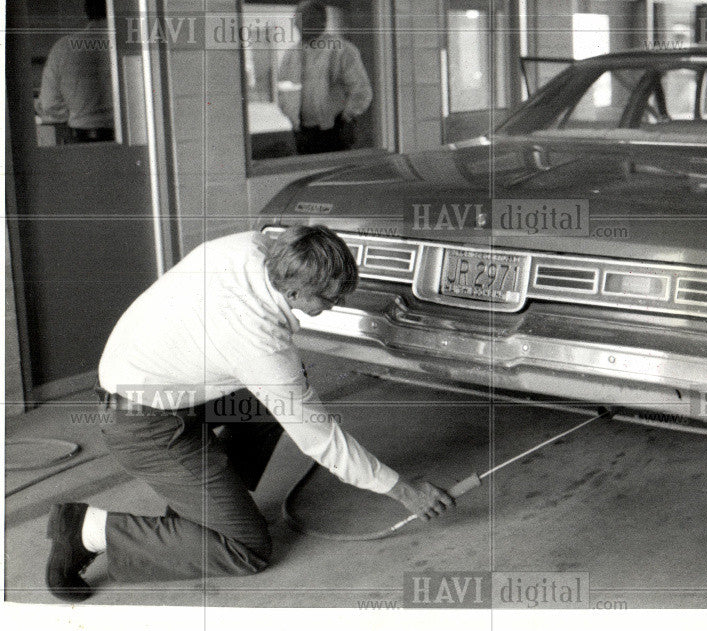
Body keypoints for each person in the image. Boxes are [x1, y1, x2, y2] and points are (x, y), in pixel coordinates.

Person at [45, 225, 454, 601]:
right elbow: (320, 439)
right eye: (330, 298)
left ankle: (201, 508)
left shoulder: (254, 247)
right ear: (293, 294)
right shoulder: (258, 342)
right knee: (246, 550)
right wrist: (402, 488)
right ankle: (85, 529)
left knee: (272, 399)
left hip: (164, 385)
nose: (339, 303)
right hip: (140, 421)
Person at [276, 0, 373, 155]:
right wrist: (291, 117)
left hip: (335, 131)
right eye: (297, 19)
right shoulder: (290, 54)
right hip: (302, 133)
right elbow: (283, 90)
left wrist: (346, 118)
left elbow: (361, 91)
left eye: (306, 18)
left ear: (322, 21)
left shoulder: (342, 50)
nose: (299, 24)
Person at [35, 0, 115, 143]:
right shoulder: (131, 46)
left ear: (87, 6)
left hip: (81, 141)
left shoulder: (63, 48)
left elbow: (49, 105)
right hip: (132, 139)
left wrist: (77, 111)